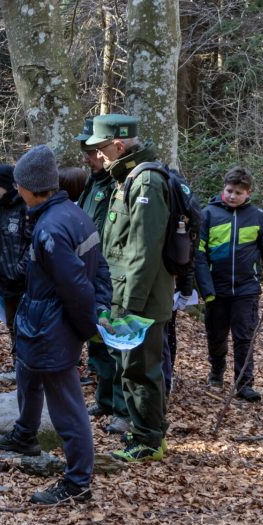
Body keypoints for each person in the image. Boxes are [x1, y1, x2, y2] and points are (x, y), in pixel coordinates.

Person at [0, 145, 111, 505]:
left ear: (29, 186)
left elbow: (75, 286)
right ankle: (25, 434)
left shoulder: (51, 230)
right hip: (39, 320)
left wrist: (88, 323)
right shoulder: (73, 213)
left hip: (51, 325)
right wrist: (101, 303)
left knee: (66, 405)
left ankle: (77, 484)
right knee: (26, 371)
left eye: (18, 184)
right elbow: (99, 266)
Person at [88, 114, 172, 463]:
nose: (99, 156)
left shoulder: (146, 182)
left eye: (101, 149)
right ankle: (142, 435)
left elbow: (144, 251)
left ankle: (149, 441)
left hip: (141, 302)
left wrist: (131, 307)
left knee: (142, 370)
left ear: (118, 145)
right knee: (129, 368)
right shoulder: (127, 179)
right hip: (124, 296)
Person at [195, 167, 263, 402]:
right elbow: (198, 255)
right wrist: (206, 289)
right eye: (229, 191)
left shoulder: (258, 217)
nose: (232, 196)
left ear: (249, 193)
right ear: (222, 189)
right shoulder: (209, 214)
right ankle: (217, 371)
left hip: (246, 290)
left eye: (238, 192)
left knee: (244, 336)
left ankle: (244, 383)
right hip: (217, 290)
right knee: (216, 335)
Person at [75, 118, 130, 434]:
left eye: (92, 150)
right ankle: (105, 399)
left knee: (115, 345)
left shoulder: (118, 185)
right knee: (97, 341)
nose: (87, 157)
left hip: (112, 275)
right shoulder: (92, 182)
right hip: (92, 272)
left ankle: (121, 409)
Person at [0, 163, 27, 383]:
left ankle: (27, 369)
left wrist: (19, 271)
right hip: (6, 282)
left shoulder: (24, 208)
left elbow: (32, 244)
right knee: (13, 326)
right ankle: (18, 367)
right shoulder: (0, 211)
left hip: (23, 282)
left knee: (25, 327)